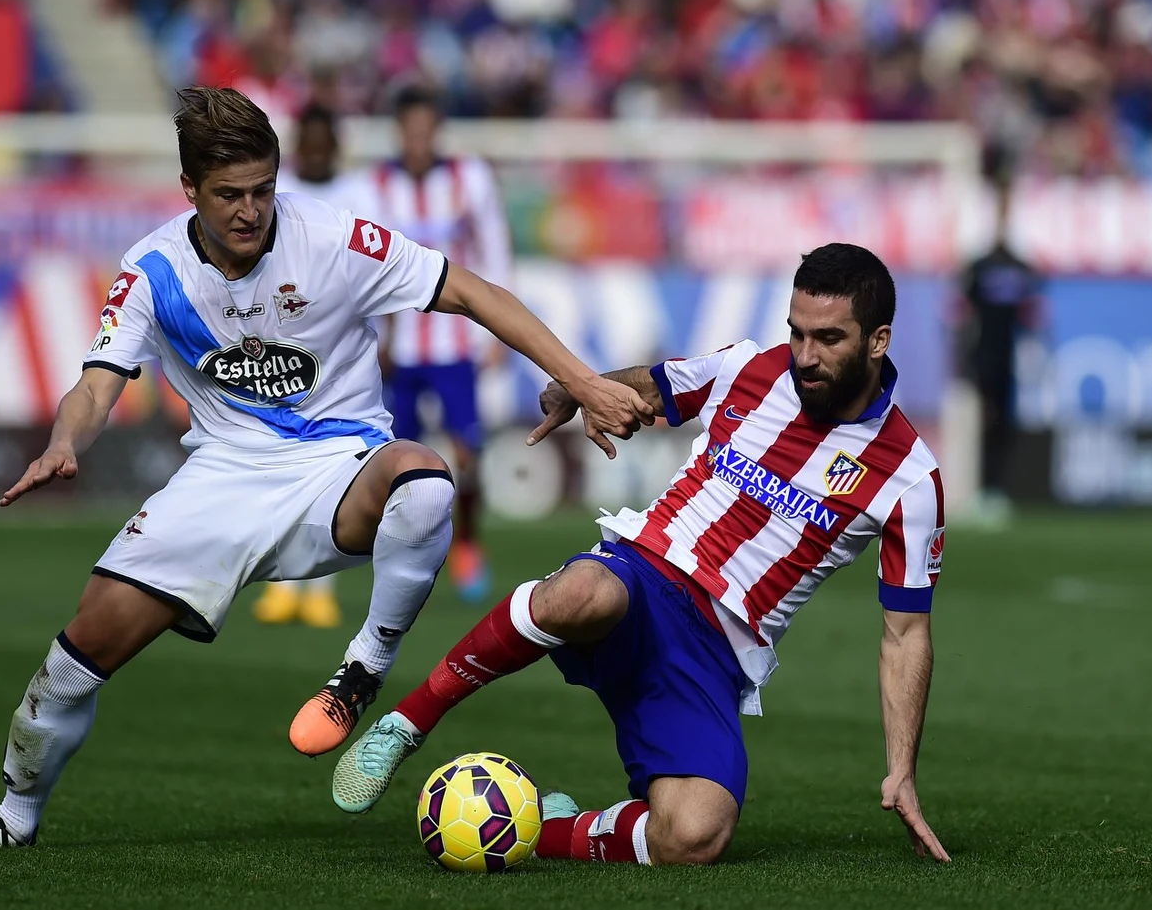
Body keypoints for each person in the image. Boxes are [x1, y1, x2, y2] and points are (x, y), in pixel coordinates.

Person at [0, 86, 651, 851]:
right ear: (189, 189)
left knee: (427, 484)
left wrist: (588, 381)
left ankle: (361, 670)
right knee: (70, 664)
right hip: (221, 482)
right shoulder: (152, 270)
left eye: (263, 190)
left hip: (340, 467)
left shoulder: (334, 239)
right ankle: (12, 818)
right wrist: (67, 439)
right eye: (228, 194)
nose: (250, 210)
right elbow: (98, 384)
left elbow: (471, 290)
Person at [331, 244, 952, 867]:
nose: (806, 356)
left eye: (829, 338)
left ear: (878, 341)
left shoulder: (910, 479)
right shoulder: (749, 370)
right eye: (796, 333)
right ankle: (406, 725)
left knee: (696, 835)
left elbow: (905, 635)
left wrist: (901, 769)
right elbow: (655, 386)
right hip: (646, 574)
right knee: (581, 592)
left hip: (717, 652)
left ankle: (539, 828)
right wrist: (583, 390)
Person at [369, 86, 512, 602]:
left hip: (456, 343)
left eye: (426, 130)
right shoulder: (377, 184)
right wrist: (377, 333)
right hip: (400, 346)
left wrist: (497, 330)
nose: (418, 140)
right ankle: (400, 555)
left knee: (467, 449)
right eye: (410, 131)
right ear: (399, 132)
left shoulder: (467, 177)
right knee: (395, 456)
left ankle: (468, 543)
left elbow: (493, 248)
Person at [251, 102, 370, 630]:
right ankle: (283, 584)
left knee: (335, 467)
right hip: (279, 346)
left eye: (326, 142)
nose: (317, 151)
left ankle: (321, 588)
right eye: (310, 142)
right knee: (278, 464)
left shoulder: (359, 194)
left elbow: (375, 276)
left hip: (340, 348)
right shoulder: (274, 191)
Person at [958, 179, 1041, 528]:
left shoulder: (1023, 268)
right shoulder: (978, 267)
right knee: (981, 422)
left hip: (1009, 358)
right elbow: (962, 314)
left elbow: (1033, 315)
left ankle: (994, 490)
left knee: (1001, 424)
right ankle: (977, 488)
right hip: (982, 356)